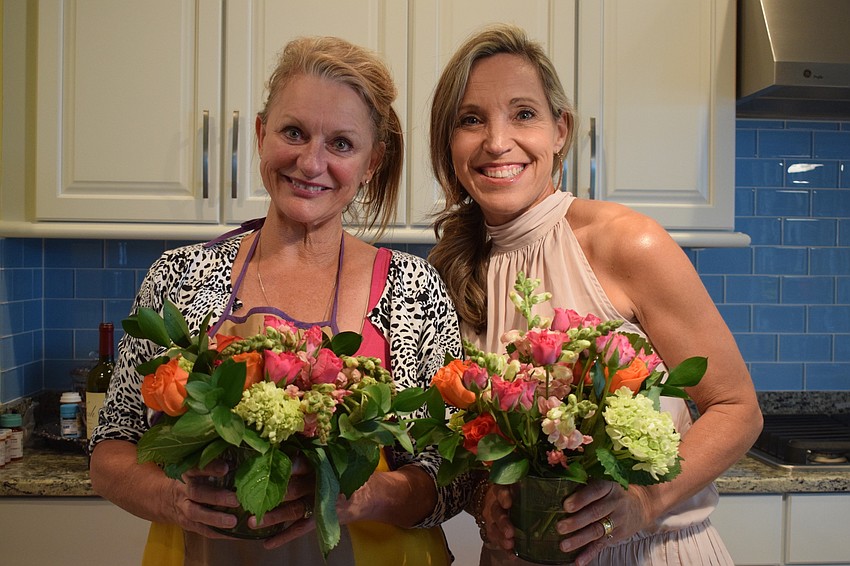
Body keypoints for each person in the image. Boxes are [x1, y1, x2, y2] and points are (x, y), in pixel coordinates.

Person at [89, 36, 468, 566]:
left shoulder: (413, 289)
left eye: (341, 143)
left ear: (372, 162)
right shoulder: (180, 278)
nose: (310, 162)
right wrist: (173, 498)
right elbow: (111, 446)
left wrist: (363, 495)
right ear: (263, 134)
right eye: (293, 132)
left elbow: (451, 474)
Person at [427, 24, 763, 566]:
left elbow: (737, 409)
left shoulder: (628, 243)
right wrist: (483, 500)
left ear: (560, 129)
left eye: (523, 113)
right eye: (471, 120)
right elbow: (474, 445)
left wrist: (643, 502)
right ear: (450, 143)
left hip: (647, 552)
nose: (496, 140)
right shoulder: (450, 271)